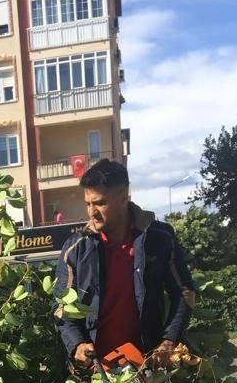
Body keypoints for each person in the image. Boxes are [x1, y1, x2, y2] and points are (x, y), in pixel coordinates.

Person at [53, 159, 193, 372]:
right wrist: (78, 345)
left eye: (99, 203)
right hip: (96, 374)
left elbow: (183, 293)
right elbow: (61, 308)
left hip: (147, 369)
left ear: (123, 196)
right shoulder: (75, 249)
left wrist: (168, 341)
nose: (92, 212)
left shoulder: (159, 238)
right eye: (88, 204)